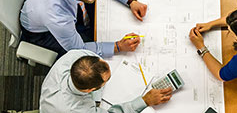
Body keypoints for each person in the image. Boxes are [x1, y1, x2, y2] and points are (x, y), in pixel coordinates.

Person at [40, 49, 173, 113]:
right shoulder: (79, 110)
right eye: (107, 80)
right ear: (90, 90)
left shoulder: (76, 56)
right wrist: (144, 100)